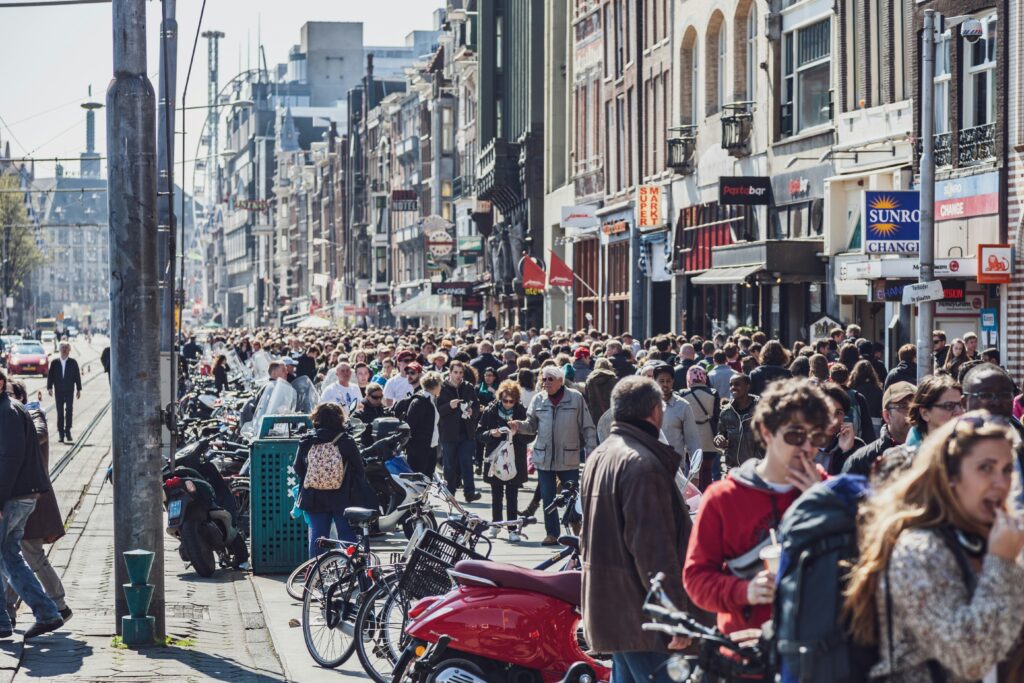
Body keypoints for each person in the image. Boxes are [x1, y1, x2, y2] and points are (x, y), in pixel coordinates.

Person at [844, 412, 1024, 683]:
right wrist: (1001, 562)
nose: (1001, 483)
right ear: (950, 477)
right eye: (985, 468)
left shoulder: (997, 540)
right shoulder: (917, 550)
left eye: (1007, 469)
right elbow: (969, 657)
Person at [684, 377, 827, 637]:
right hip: (746, 654)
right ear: (766, 432)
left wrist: (823, 503)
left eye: (816, 436)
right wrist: (744, 591)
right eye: (795, 435)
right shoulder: (724, 498)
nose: (807, 447)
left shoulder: (829, 491)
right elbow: (696, 580)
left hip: (815, 649)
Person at [581, 376, 694, 683]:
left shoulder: (601, 456)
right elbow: (653, 551)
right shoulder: (641, 464)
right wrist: (673, 617)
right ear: (655, 412)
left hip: (617, 611)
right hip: (643, 618)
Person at [0, 369, 64, 639]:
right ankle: (44, 613)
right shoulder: (9, 410)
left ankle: (25, 616)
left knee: (10, 556)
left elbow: (10, 458)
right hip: (20, 495)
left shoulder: (8, 412)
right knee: (10, 557)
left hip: (13, 496)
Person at [510, 366, 597, 545]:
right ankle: (552, 534)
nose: (546, 382)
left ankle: (578, 531)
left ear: (560, 381)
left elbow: (588, 427)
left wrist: (592, 452)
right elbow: (531, 425)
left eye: (550, 379)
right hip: (544, 458)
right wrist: (519, 426)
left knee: (572, 498)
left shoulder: (575, 398)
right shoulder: (538, 399)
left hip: (569, 457)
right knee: (548, 498)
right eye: (544, 379)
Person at [292, 402, 364, 558]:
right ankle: (355, 573)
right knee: (346, 535)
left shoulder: (307, 440)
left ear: (316, 418)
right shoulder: (346, 440)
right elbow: (359, 468)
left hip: (314, 496)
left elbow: (297, 467)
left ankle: (315, 577)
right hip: (342, 497)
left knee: (318, 537)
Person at [477, 380, 529, 541]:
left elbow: (531, 435)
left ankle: (512, 529)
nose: (507, 404)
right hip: (495, 456)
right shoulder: (490, 410)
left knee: (512, 495)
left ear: (516, 400)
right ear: (500, 398)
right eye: (505, 400)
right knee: (496, 494)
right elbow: (479, 434)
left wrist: (517, 431)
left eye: (511, 401)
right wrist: (492, 433)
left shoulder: (521, 411)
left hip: (515, 457)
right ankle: (496, 524)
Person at [842, 381, 915, 476]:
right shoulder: (861, 461)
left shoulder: (931, 454)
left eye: (915, 407)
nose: (911, 414)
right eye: (904, 407)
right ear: (887, 416)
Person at [437, 361, 481, 504]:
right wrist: (449, 406)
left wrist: (472, 411)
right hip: (448, 433)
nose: (458, 376)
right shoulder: (442, 388)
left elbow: (476, 405)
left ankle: (470, 493)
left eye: (461, 373)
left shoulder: (468, 387)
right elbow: (438, 411)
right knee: (449, 465)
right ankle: (450, 494)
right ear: (449, 372)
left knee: (467, 462)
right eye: (455, 372)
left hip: (466, 432)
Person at [679, 365, 722, 486]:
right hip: (709, 438)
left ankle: (694, 500)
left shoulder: (682, 394)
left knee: (692, 472)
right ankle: (707, 496)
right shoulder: (713, 393)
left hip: (690, 439)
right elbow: (716, 416)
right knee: (707, 471)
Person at [652, 364, 700, 462]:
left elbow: (693, 441)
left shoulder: (683, 406)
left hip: (675, 468)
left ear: (673, 382)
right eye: (661, 381)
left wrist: (695, 473)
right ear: (654, 381)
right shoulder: (646, 405)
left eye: (668, 381)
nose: (665, 384)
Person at [714, 373, 762, 470]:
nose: (733, 388)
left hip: (758, 469)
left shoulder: (762, 409)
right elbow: (720, 434)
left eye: (737, 384)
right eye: (731, 385)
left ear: (748, 386)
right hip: (733, 469)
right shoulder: (726, 412)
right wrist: (719, 439)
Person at [818, 382, 867, 475]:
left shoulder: (856, 446)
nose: (833, 419)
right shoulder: (802, 445)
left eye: (838, 413)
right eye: (827, 411)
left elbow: (856, 483)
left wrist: (847, 452)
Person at [905, 373, 964, 447]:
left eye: (961, 404)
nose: (959, 411)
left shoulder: (971, 449)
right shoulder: (907, 456)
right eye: (949, 406)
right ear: (925, 413)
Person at [405, 372, 443, 478]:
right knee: (418, 481)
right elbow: (410, 426)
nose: (441, 387)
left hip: (431, 447)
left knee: (427, 481)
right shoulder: (419, 402)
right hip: (419, 451)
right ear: (434, 386)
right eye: (440, 384)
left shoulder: (431, 400)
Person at [46, 342, 82, 444]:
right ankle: (61, 434)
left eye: (66, 348)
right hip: (58, 391)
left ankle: (68, 431)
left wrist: (79, 389)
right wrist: (49, 387)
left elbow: (77, 376)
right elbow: (50, 376)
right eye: (62, 348)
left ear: (69, 350)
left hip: (70, 390)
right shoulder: (54, 363)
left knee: (69, 410)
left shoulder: (73, 362)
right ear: (59, 349)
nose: (64, 349)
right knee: (60, 413)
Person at [583, 357, 617, 424]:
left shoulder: (589, 381)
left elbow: (587, 400)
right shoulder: (613, 379)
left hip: (595, 417)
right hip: (612, 414)